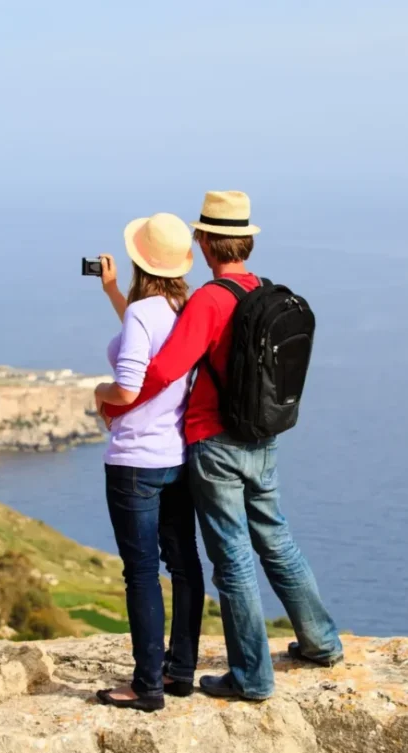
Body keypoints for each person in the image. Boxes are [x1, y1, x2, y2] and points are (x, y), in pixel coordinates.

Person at [102, 191, 343, 701]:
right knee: (276, 541)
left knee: (231, 560)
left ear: (207, 243)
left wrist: (116, 405)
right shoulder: (259, 290)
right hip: (262, 437)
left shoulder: (210, 300)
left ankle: (252, 677)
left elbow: (165, 369)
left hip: (215, 444)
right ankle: (321, 642)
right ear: (244, 243)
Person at [92, 212, 205, 712]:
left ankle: (146, 685)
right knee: (183, 564)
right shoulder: (184, 309)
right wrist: (113, 292)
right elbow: (152, 337)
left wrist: (99, 391)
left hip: (134, 460)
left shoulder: (144, 315)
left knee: (140, 573)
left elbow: (130, 384)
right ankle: (180, 672)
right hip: (177, 457)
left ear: (140, 259)